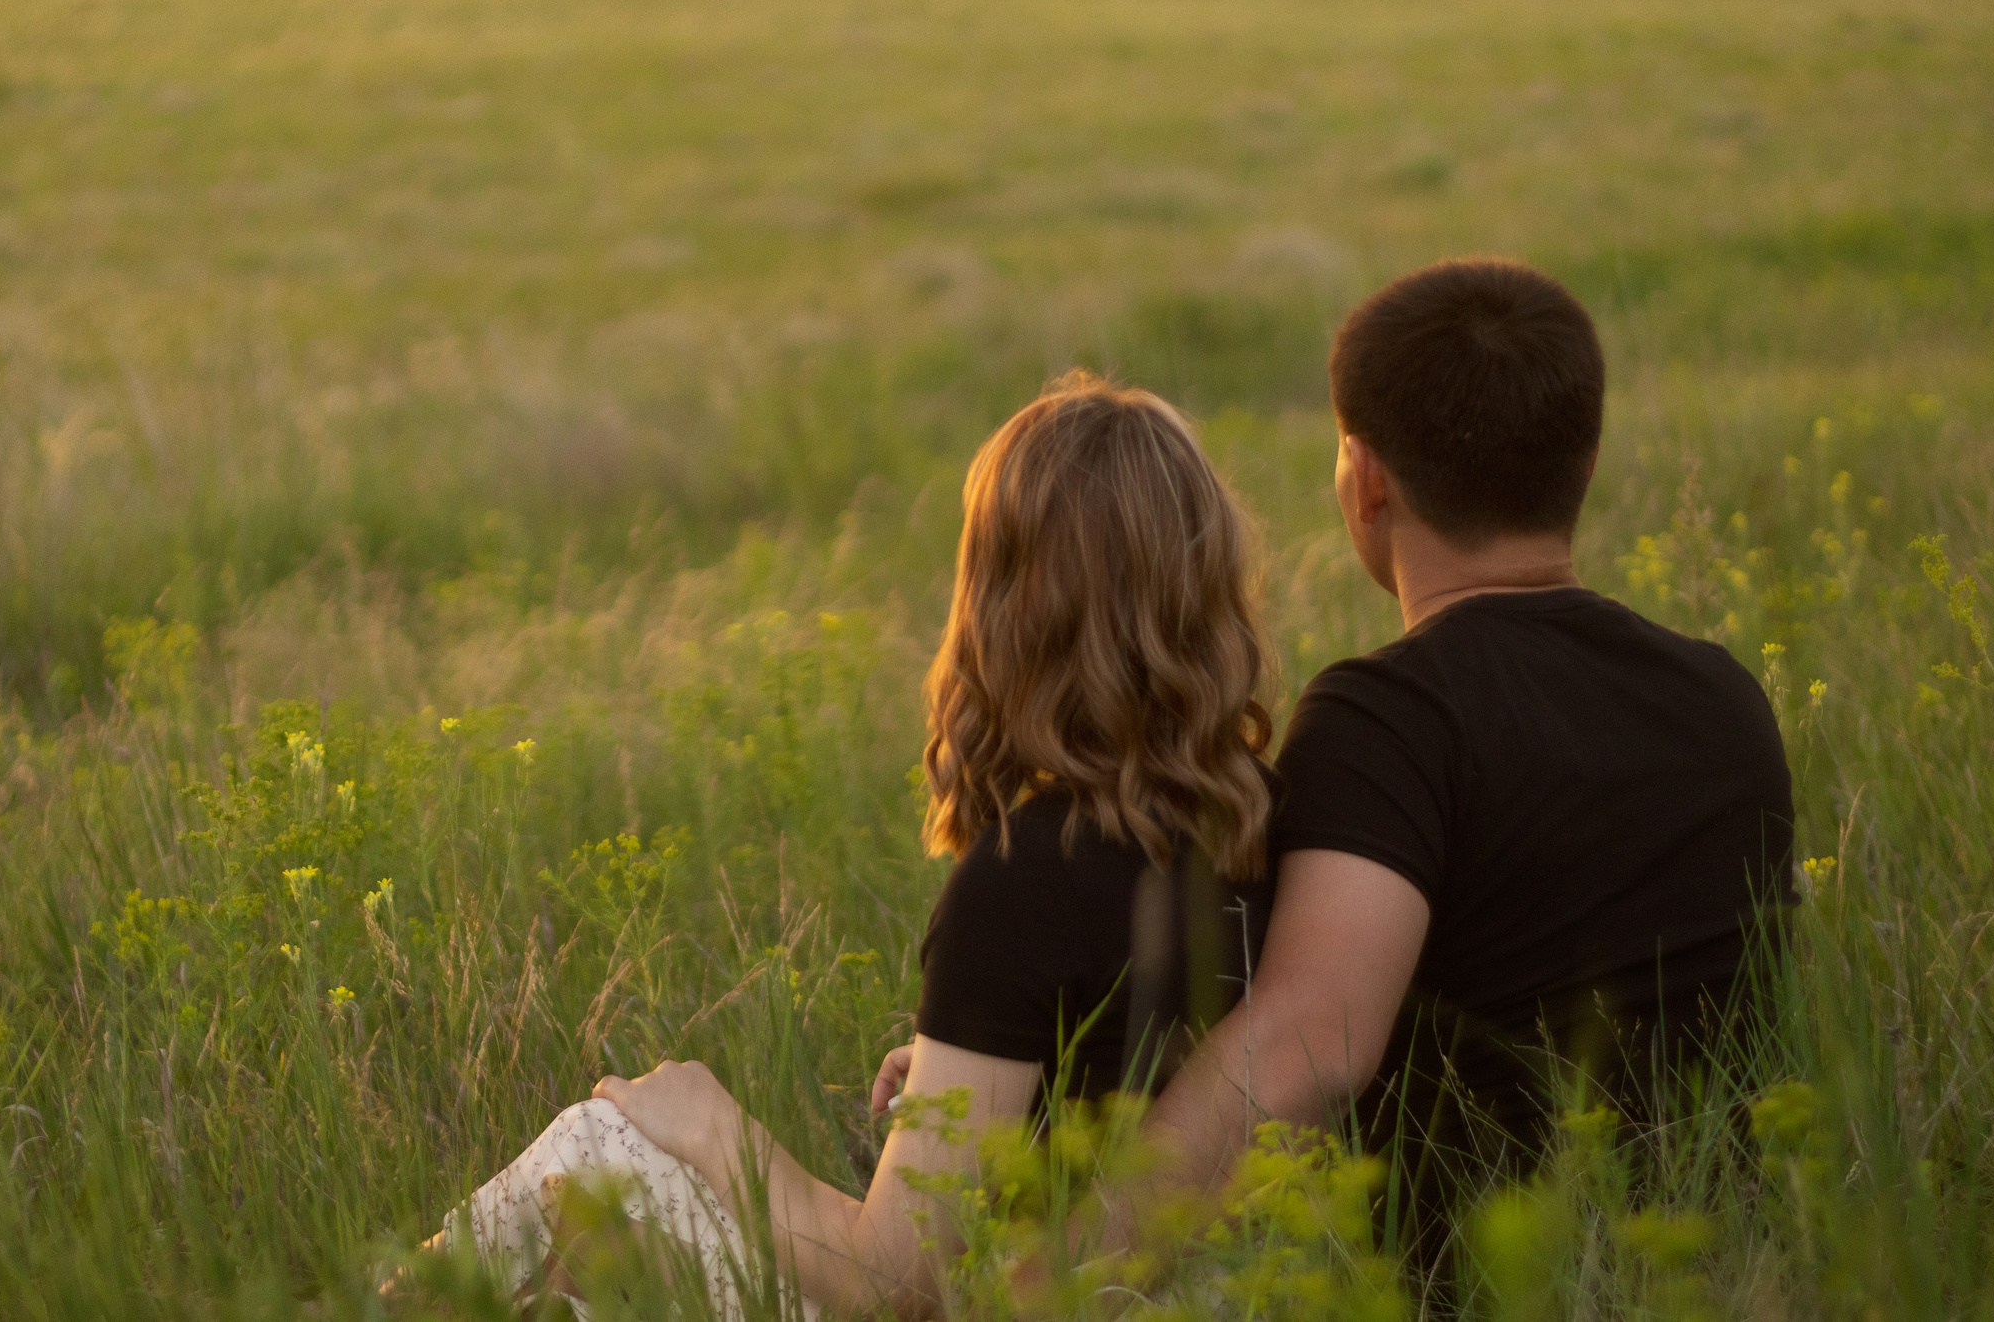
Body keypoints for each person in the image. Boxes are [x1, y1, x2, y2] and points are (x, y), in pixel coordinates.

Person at [423, 373, 1282, 1317]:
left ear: (1005, 602)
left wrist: (716, 1123)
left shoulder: (1024, 879)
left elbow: (893, 1285)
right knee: (586, 1252)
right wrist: (986, 1083)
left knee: (609, 1142)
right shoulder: (1269, 822)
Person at [1141, 258, 1797, 1263]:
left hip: (1493, 1278)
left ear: (1363, 482)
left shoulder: (1389, 717)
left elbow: (1309, 1046)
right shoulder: (1724, 698)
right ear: (1582, 465)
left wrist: (1034, 1273)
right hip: (1721, 1267)